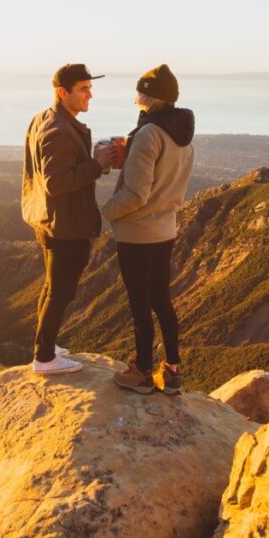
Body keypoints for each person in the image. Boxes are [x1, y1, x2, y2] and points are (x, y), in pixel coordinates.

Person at [101, 64, 194, 395]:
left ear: (150, 98)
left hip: (138, 234)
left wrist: (106, 213)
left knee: (140, 305)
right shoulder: (181, 136)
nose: (136, 96)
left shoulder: (148, 134)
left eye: (140, 91)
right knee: (161, 302)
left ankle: (140, 372)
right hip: (165, 230)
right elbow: (165, 182)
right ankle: (172, 372)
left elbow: (137, 194)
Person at [22, 63, 117, 374]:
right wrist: (98, 163)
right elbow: (56, 183)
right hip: (65, 225)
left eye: (90, 87)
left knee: (52, 288)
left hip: (50, 220)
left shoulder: (45, 120)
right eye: (84, 89)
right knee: (60, 291)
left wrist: (95, 161)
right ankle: (45, 358)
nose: (91, 94)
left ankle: (44, 346)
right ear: (64, 93)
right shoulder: (59, 130)